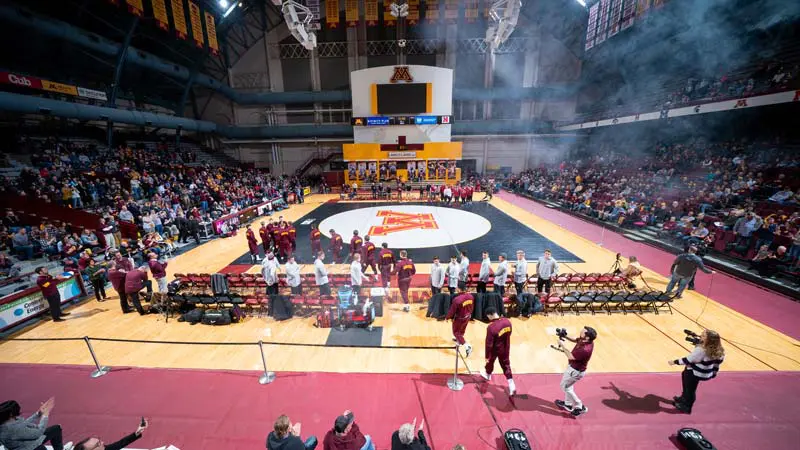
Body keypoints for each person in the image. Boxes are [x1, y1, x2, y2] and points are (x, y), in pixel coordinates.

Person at [668, 329, 725, 414]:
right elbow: (717, 364)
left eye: (703, 335)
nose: (701, 336)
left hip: (694, 372)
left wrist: (674, 362)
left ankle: (687, 407)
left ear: (709, 340)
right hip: (705, 373)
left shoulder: (702, 350)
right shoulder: (720, 350)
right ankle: (684, 398)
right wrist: (714, 373)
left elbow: (688, 360)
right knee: (687, 384)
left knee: (690, 390)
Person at [553, 326, 597, 417]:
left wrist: (562, 345)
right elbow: (576, 340)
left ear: (587, 337)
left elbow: (570, 356)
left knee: (565, 387)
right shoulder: (585, 340)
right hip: (573, 368)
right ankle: (568, 404)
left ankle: (579, 406)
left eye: (583, 332)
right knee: (569, 387)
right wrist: (565, 336)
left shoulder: (585, 350)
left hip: (575, 371)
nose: (581, 331)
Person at [479, 306, 515, 396]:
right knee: (506, 365)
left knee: (490, 361)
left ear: (490, 315)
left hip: (495, 349)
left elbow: (488, 344)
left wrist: (487, 356)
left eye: (488, 317)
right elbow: (509, 333)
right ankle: (511, 384)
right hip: (506, 347)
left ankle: (488, 374)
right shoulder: (507, 322)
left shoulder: (491, 327)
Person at [74, 418, 147, 450]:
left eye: (99, 440)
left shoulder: (104, 448)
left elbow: (120, 443)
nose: (103, 442)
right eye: (98, 444)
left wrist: (138, 432)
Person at [446, 286, 474, 357]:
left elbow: (452, 311)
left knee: (456, 332)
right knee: (462, 330)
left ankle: (467, 346)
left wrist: (447, 317)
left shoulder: (457, 299)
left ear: (459, 289)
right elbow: (472, 306)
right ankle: (459, 340)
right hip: (468, 316)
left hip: (460, 318)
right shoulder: (471, 296)